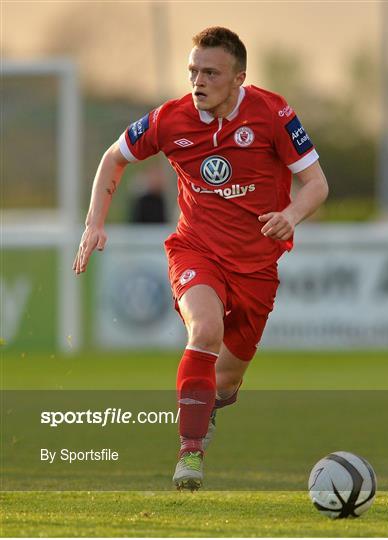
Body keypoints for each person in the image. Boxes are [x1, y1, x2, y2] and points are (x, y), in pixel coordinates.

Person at [73, 26, 329, 491]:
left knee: (225, 383)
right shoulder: (170, 120)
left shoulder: (273, 114)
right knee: (205, 329)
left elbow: (316, 184)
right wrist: (94, 222)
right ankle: (189, 454)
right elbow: (114, 157)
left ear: (239, 78)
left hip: (256, 266)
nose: (198, 81)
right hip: (196, 250)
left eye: (211, 72)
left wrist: (291, 214)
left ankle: (208, 406)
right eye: (193, 71)